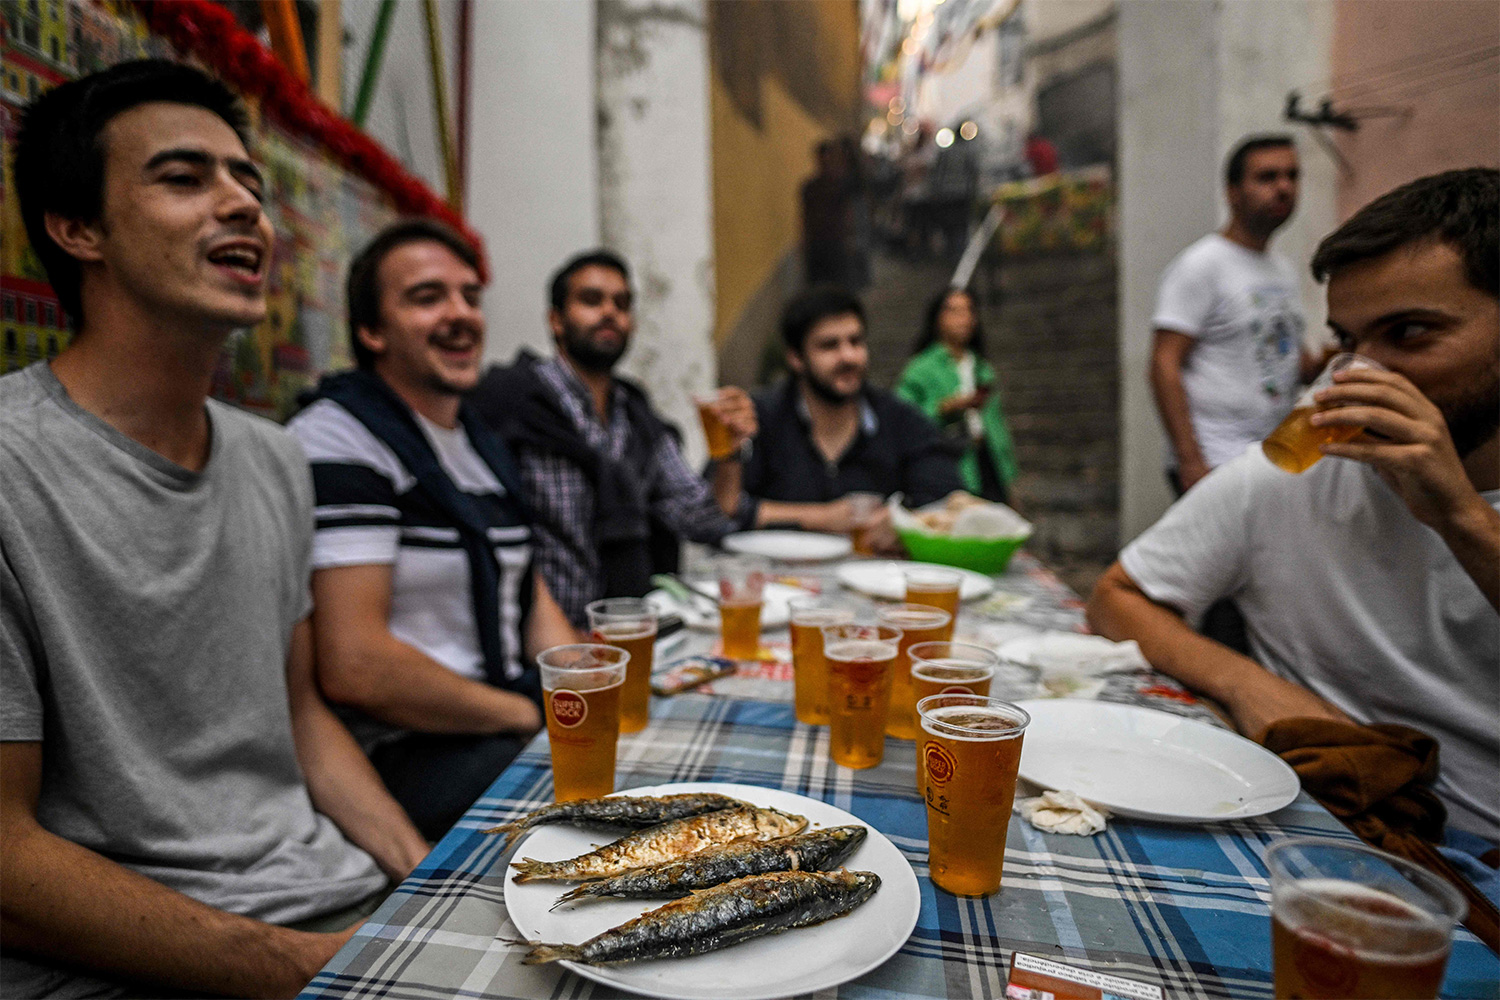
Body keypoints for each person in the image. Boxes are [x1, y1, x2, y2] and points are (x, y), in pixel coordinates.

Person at [1, 60, 428, 999]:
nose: (244, 206)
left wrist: (427, 885)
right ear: (78, 230)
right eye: (185, 179)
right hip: (142, 959)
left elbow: (302, 716)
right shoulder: (11, 465)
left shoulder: (275, 458)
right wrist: (307, 968)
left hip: (329, 905)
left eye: (250, 182)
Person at [1088, 169, 1500, 848]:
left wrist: (1461, 516)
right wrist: (1249, 684)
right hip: (1329, 823)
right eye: (1347, 340)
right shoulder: (1295, 468)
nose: (1359, 375)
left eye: (1410, 333)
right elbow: (1117, 596)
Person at [288, 221, 577, 840]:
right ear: (371, 331)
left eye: (471, 297)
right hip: (402, 753)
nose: (461, 315)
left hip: (498, 720)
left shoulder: (478, 441)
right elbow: (355, 665)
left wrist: (586, 685)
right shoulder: (338, 438)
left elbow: (528, 593)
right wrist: (527, 713)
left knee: (651, 756)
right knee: (614, 817)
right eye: (427, 298)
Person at [471, 250, 758, 626]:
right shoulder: (511, 402)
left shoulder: (637, 416)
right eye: (592, 300)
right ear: (556, 320)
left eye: (621, 304)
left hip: (626, 637)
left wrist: (730, 452)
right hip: (539, 645)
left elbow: (705, 520)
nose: (610, 312)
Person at [1151, 134, 1326, 495]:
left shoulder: (1282, 271)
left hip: (1273, 458)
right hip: (1216, 459)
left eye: (1292, 176)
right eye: (1267, 177)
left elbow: (1287, 358)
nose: (1283, 188)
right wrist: (1191, 460)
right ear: (1232, 191)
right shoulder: (1201, 266)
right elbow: (1163, 364)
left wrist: (1333, 361)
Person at [734, 284, 965, 550]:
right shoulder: (762, 417)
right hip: (775, 581)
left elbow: (949, 499)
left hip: (875, 580)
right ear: (796, 358)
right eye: (829, 346)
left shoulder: (898, 419)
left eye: (855, 341)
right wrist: (823, 518)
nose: (849, 356)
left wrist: (903, 520)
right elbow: (721, 509)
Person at [896, 286, 1019, 503]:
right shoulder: (921, 368)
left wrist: (1008, 475)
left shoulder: (982, 367)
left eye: (968, 311)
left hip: (987, 461)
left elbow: (998, 426)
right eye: (953, 311)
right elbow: (901, 417)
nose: (963, 318)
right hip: (950, 461)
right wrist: (944, 408)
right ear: (937, 318)